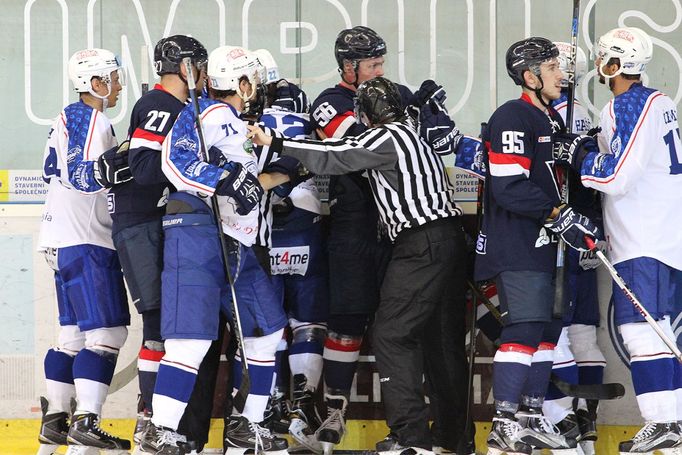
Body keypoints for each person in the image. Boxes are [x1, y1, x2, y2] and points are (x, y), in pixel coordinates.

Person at [247, 75, 468, 455]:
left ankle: (410, 437)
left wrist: (277, 141)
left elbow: (337, 154)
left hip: (421, 243)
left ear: (366, 114)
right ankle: (451, 438)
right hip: (446, 240)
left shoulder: (388, 136)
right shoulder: (413, 136)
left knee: (390, 333)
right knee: (439, 341)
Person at [139, 45, 288, 455]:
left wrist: (284, 165)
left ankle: (247, 424)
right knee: (190, 341)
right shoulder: (202, 111)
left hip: (237, 242)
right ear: (239, 82)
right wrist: (222, 180)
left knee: (267, 331)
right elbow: (175, 160)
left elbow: (252, 181)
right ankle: (160, 429)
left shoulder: (241, 124)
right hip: (196, 233)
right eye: (252, 78)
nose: (257, 86)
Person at [553, 26, 682, 454]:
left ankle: (662, 420)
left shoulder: (630, 104)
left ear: (613, 64)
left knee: (640, 329)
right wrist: (590, 144)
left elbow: (616, 175)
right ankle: (670, 423)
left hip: (644, 239)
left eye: (604, 59)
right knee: (658, 329)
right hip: (660, 237)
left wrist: (579, 155)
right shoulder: (655, 102)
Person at [474, 37, 599, 455]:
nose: (561, 75)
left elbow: (547, 171)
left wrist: (569, 152)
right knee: (525, 328)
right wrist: (556, 213)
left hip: (547, 245)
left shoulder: (547, 119)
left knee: (548, 330)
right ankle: (504, 421)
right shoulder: (512, 114)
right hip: (519, 242)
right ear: (529, 76)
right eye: (551, 68)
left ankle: (529, 414)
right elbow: (508, 186)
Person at [102, 34, 222, 453]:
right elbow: (145, 166)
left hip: (160, 225)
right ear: (185, 65)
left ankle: (164, 426)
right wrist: (198, 168)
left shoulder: (184, 107)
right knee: (158, 326)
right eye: (201, 65)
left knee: (172, 328)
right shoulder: (158, 105)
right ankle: (150, 422)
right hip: (142, 224)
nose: (206, 75)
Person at [307, 25, 414, 453]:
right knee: (347, 322)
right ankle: (334, 409)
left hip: (397, 227)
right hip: (353, 225)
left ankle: (407, 424)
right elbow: (356, 146)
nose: (379, 71)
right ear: (348, 67)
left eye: (381, 63)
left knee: (398, 329)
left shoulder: (393, 92)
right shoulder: (328, 103)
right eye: (372, 64)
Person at [36, 48, 131, 454]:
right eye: (112, 76)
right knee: (108, 333)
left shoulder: (67, 117)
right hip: (86, 239)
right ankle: (86, 422)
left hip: (59, 238)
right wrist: (127, 160)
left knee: (71, 336)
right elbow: (82, 176)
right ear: (94, 83)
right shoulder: (91, 118)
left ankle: (57, 420)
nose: (119, 83)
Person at [250, 48, 329, 453]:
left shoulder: (249, 119)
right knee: (308, 323)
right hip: (306, 219)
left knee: (267, 326)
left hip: (264, 223)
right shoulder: (304, 110)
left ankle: (268, 410)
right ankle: (301, 410)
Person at [542, 41, 607, 455]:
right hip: (589, 227)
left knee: (558, 333)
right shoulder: (585, 113)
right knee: (582, 333)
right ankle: (585, 422)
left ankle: (565, 425)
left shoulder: (562, 114)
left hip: (564, 233)